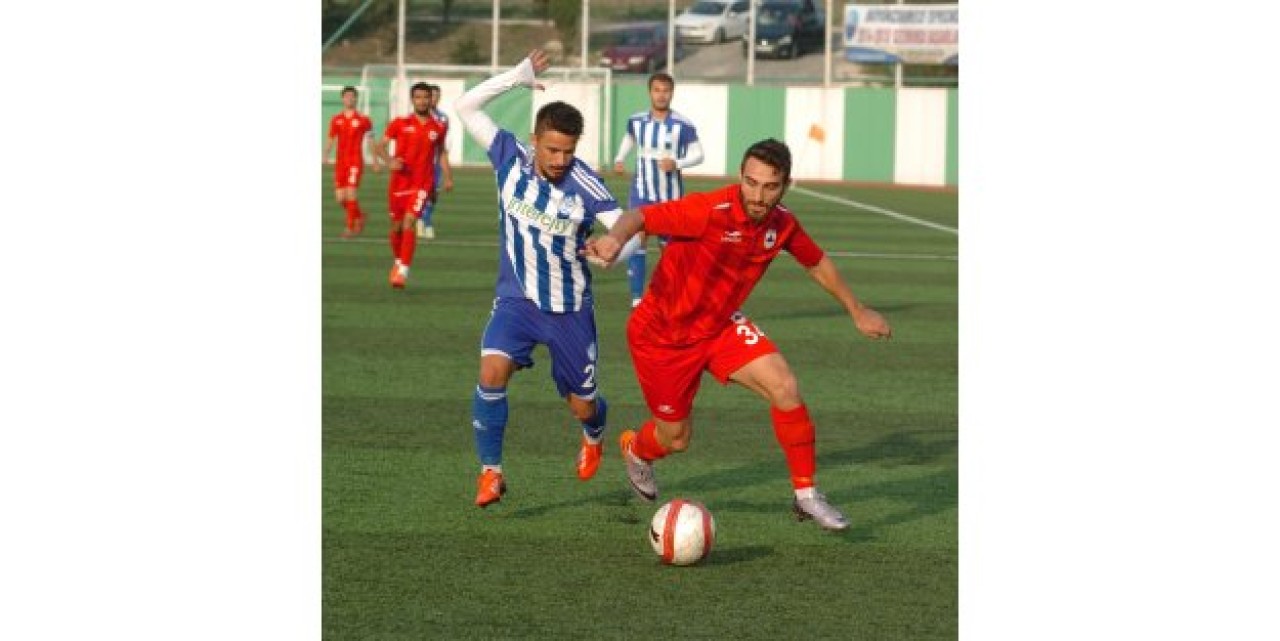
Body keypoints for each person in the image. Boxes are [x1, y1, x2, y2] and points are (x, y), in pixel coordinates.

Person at [586, 138, 893, 531]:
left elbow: (815, 261)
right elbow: (640, 217)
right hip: (661, 337)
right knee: (675, 439)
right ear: (740, 177)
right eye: (750, 182)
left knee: (784, 385)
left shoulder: (782, 223)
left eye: (769, 186)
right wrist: (614, 239)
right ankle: (636, 449)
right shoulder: (707, 210)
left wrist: (857, 309)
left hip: (719, 326)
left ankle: (806, 495)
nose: (758, 195)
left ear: (785, 185)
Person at [455, 50, 640, 508]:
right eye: (552, 149)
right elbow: (465, 107)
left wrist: (614, 247)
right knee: (491, 372)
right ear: (534, 139)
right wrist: (515, 79)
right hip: (515, 301)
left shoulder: (586, 184)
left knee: (583, 405)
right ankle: (491, 473)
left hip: (569, 309)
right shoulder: (507, 156)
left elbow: (631, 229)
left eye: (569, 151)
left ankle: (594, 430)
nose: (560, 160)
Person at [612, 72, 704, 308]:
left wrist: (677, 163)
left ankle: (672, 296)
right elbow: (630, 138)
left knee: (670, 249)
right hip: (641, 191)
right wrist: (620, 157)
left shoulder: (683, 125)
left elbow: (698, 154)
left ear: (672, 93)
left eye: (666, 91)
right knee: (638, 239)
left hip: (670, 197)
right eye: (657, 90)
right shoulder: (637, 120)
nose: (661, 95)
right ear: (650, 92)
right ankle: (637, 298)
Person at [372, 82, 448, 289]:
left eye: (426, 97)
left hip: (422, 183)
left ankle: (403, 270)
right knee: (396, 227)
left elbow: (440, 153)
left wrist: (444, 178)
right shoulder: (399, 123)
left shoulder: (438, 127)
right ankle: (398, 261)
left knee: (409, 223)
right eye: (418, 97)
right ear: (412, 99)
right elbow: (379, 146)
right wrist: (389, 162)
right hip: (398, 183)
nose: (422, 101)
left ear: (431, 99)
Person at [325, 86, 380, 238]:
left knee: (350, 193)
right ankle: (360, 216)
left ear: (356, 99)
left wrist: (375, 161)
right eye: (346, 96)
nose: (349, 99)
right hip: (340, 162)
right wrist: (325, 154)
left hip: (355, 161)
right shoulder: (336, 119)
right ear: (342, 99)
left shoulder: (364, 120)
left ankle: (349, 228)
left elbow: (371, 141)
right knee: (340, 198)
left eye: (352, 96)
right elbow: (331, 138)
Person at [417, 84, 454, 241]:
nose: (434, 98)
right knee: (421, 194)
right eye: (432, 95)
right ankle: (425, 223)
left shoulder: (443, 118)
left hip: (436, 163)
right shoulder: (419, 117)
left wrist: (447, 175)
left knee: (433, 195)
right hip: (420, 163)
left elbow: (442, 144)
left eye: (437, 96)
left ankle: (422, 219)